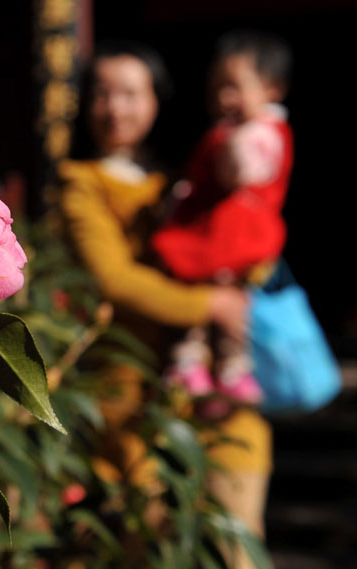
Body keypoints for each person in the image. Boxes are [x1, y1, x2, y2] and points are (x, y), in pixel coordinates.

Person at [58, 41, 272, 569]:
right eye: (101, 93)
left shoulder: (185, 174)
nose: (114, 107)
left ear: (156, 101)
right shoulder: (80, 182)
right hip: (132, 394)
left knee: (236, 531)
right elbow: (115, 279)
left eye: (130, 93)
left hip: (209, 389)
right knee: (147, 550)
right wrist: (212, 306)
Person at [152, 31, 294, 406]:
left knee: (218, 301)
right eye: (217, 88)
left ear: (272, 89)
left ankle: (223, 369)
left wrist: (234, 152)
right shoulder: (236, 130)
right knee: (212, 301)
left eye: (234, 87)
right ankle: (204, 366)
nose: (224, 98)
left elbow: (245, 169)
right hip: (217, 232)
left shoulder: (258, 135)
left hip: (230, 237)